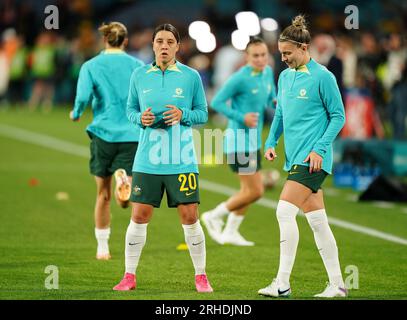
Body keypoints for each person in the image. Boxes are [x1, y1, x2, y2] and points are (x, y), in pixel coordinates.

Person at [113, 24, 212, 293]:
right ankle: (129, 276)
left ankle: (201, 276)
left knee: (190, 216)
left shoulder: (191, 77)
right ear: (153, 45)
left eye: (170, 41)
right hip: (147, 160)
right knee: (139, 215)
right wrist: (139, 119)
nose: (164, 46)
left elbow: (203, 113)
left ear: (178, 47)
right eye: (159, 41)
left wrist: (184, 115)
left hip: (182, 160)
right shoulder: (139, 75)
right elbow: (130, 109)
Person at [257, 15, 347, 298]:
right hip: (293, 157)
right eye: (281, 53)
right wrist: (271, 141)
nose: (283, 58)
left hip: (313, 160)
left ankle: (282, 283)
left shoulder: (323, 77)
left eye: (288, 53)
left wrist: (320, 148)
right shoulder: (285, 76)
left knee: (283, 211)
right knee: (318, 222)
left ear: (303, 47)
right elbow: (281, 113)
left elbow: (338, 116)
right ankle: (338, 285)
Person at [70, 22, 144, 260]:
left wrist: (76, 113)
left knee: (102, 194)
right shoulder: (138, 66)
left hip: (103, 133)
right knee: (128, 196)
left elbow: (82, 97)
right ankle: (122, 178)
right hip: (132, 135)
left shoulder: (91, 65)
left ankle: (103, 248)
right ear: (125, 41)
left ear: (104, 40)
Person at [201, 37, 277, 246]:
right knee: (255, 191)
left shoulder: (267, 72)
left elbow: (271, 95)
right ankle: (213, 215)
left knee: (248, 192)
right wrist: (240, 117)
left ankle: (231, 232)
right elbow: (216, 102)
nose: (261, 59)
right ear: (247, 57)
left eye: (263, 55)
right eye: (256, 56)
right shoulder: (239, 78)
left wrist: (276, 101)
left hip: (253, 141)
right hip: (238, 142)